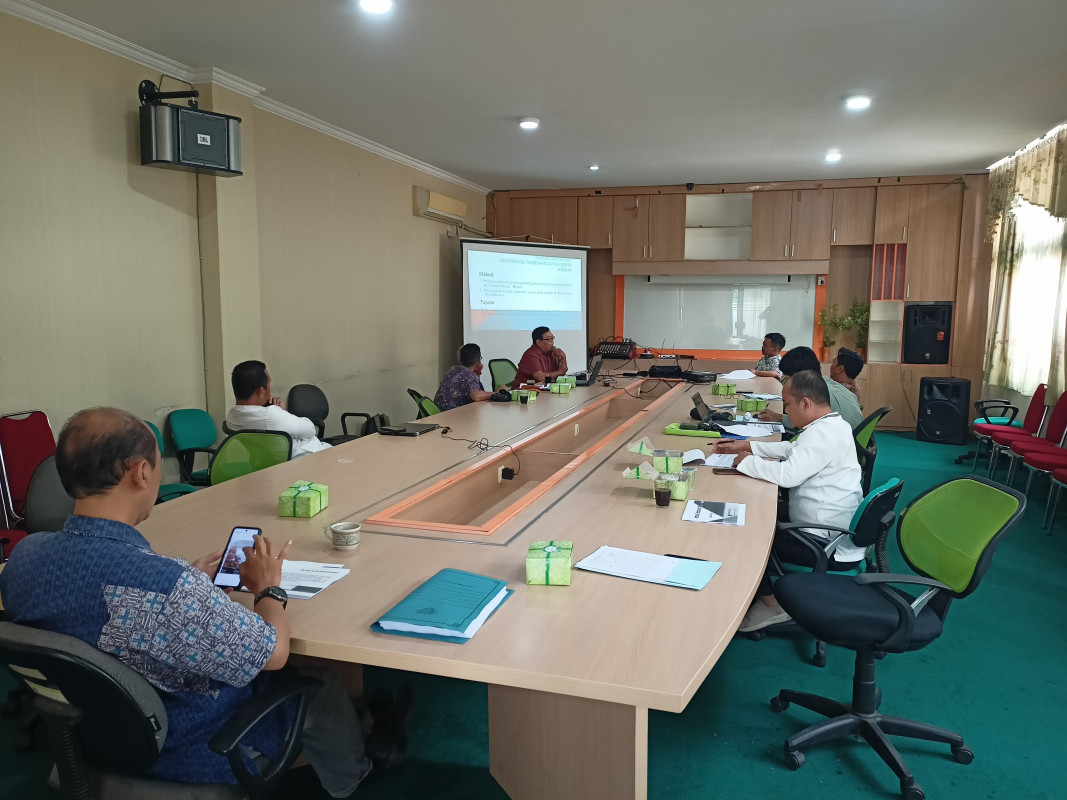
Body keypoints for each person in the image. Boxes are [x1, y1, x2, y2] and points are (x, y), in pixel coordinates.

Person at [0, 408, 402, 796]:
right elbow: (274, 653)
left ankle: (360, 725)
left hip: (92, 734)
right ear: (141, 472)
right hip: (192, 748)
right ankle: (353, 776)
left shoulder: (25, 557)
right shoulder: (166, 587)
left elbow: (97, 602)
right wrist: (267, 590)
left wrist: (189, 582)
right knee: (321, 683)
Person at [714, 371, 863, 632]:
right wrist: (749, 446)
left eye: (788, 405)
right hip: (831, 530)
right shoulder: (832, 425)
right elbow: (792, 450)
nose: (786, 411)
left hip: (824, 544)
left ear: (806, 403)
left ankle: (772, 605)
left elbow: (788, 475)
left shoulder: (822, 435)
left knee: (747, 533)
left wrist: (746, 462)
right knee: (754, 512)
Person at [226, 360, 330, 457]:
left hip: (268, 462)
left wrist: (273, 410)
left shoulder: (231, 416)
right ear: (260, 391)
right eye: (269, 383)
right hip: (309, 457)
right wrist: (281, 412)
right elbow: (310, 430)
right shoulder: (271, 415)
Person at [757, 346, 863, 430]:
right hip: (850, 446)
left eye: (790, 377)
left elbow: (804, 421)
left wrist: (778, 417)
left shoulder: (816, 395)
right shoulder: (830, 384)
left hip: (836, 449)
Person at [434, 343, 496, 411]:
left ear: (460, 358)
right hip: (450, 417)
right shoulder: (470, 375)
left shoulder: (452, 370)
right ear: (478, 361)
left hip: (438, 414)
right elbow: (476, 396)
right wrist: (496, 393)